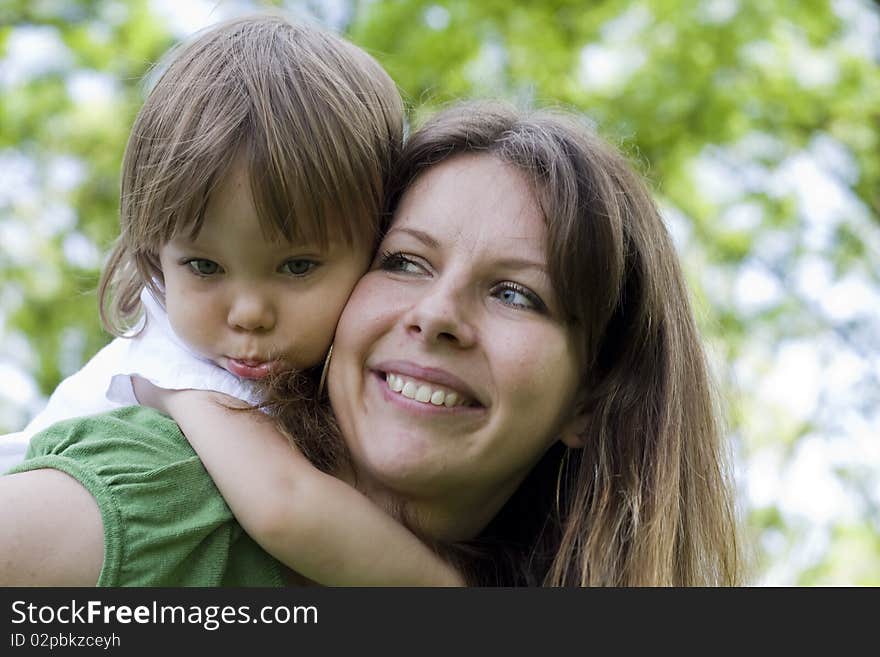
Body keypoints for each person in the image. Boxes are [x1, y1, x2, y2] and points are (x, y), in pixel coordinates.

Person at [0, 101, 742, 586]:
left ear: (591, 395)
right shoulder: (165, 497)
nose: (436, 314)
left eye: (515, 292)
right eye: (405, 261)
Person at [0, 14, 464, 586]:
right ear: (155, 259)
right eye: (204, 267)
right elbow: (284, 507)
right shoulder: (175, 361)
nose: (248, 313)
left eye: (297, 266)